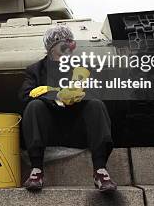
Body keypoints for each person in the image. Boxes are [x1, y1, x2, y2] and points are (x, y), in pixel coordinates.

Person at [19, 25, 117, 192]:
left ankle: (100, 170)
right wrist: (53, 95)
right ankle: (36, 170)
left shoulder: (82, 67)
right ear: (50, 46)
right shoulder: (35, 70)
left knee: (96, 105)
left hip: (78, 129)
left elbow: (97, 92)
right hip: (49, 130)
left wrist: (78, 94)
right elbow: (25, 95)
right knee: (34, 106)